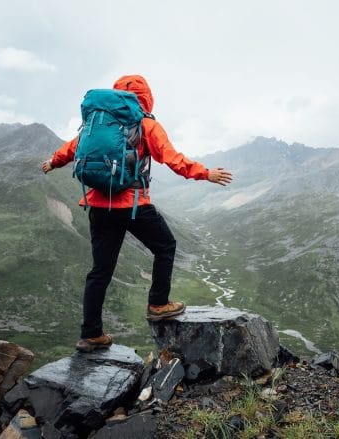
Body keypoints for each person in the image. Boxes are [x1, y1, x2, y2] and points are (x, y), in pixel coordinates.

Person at [41, 75, 233, 352]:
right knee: (166, 246)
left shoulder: (99, 122)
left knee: (100, 270)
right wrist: (206, 173)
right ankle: (158, 304)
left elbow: (72, 148)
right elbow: (172, 158)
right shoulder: (146, 125)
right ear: (146, 97)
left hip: (98, 205)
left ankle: (91, 333)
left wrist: (52, 162)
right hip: (132, 205)